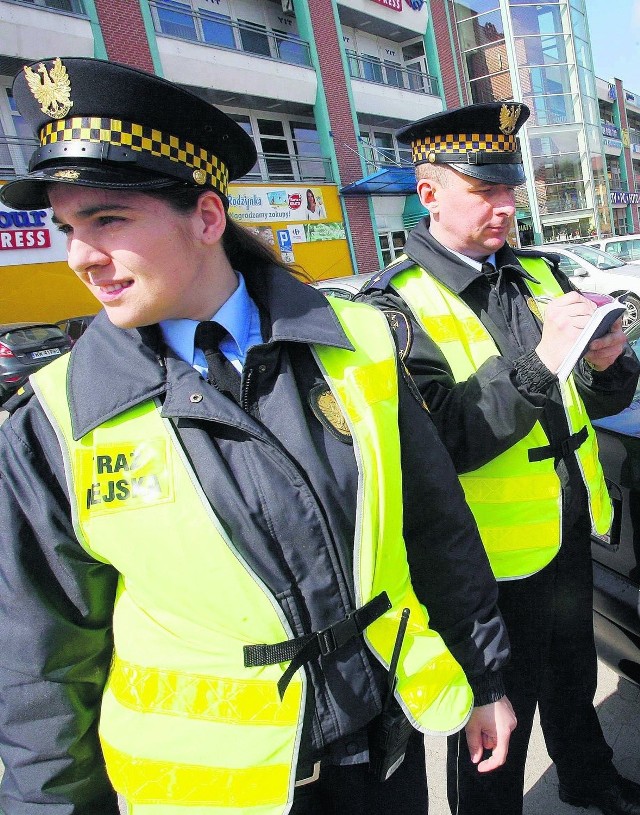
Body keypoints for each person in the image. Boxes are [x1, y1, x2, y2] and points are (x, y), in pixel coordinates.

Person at [0, 58, 516, 815]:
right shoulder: (56, 419)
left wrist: (486, 676)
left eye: (107, 219)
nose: (79, 255)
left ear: (208, 218)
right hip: (213, 794)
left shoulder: (360, 344)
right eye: (68, 227)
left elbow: (437, 527)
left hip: (382, 754)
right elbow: (40, 665)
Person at [357, 101, 640, 815]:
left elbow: (590, 406)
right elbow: (444, 440)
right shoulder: (394, 311)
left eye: (511, 188)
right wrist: (542, 363)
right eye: (486, 190)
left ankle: (588, 778)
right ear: (429, 195)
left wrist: (609, 362)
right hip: (480, 567)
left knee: (574, 679)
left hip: (566, 528)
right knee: (493, 722)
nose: (508, 206)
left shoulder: (540, 276)